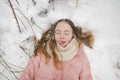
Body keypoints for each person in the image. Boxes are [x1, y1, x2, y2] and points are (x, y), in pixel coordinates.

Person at [19, 19, 94, 80]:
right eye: (58, 33)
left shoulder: (81, 57)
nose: (62, 36)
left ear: (72, 35)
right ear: (54, 35)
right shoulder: (43, 52)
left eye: (66, 33)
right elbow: (27, 75)